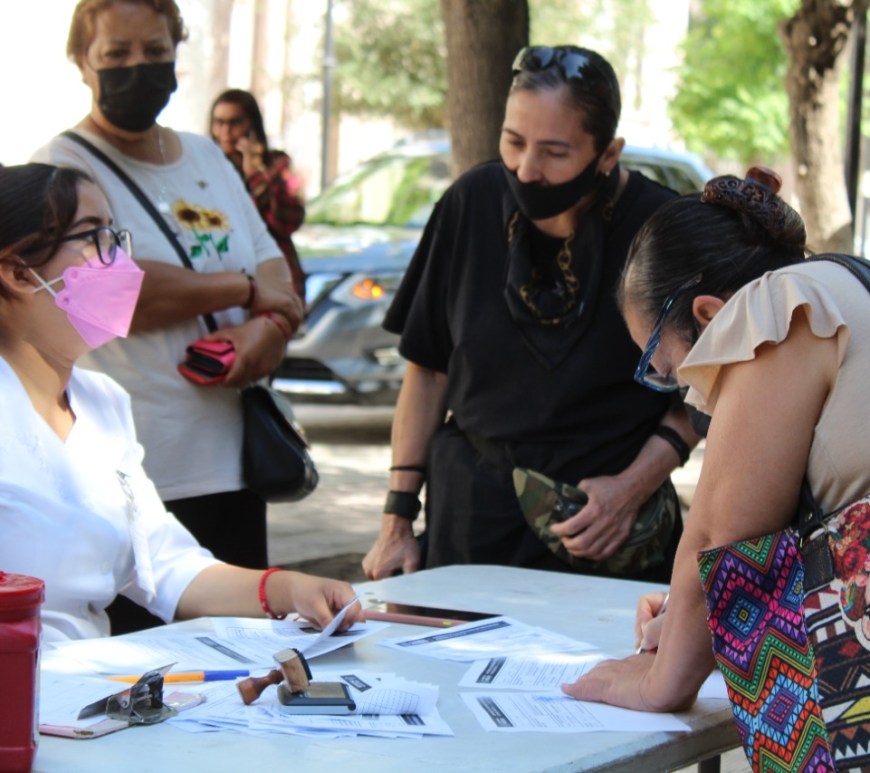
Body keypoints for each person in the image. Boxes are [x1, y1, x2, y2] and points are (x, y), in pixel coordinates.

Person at [362, 45, 697, 583]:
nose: (526, 169)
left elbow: (702, 393)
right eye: (513, 142)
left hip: (607, 532)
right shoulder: (469, 203)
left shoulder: (661, 229)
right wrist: (396, 521)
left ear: (608, 154)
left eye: (555, 152)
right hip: (470, 521)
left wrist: (632, 488)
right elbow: (426, 371)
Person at [0, 162, 362, 643]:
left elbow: (166, 564)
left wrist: (288, 589)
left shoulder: (102, 403)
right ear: (19, 273)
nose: (120, 263)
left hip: (82, 681)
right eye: (93, 237)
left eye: (116, 236)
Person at [32, 0, 304, 624]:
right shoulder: (63, 167)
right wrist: (242, 291)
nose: (139, 67)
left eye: (155, 51)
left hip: (234, 465)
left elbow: (273, 266)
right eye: (117, 54)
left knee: (241, 657)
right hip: (132, 479)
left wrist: (270, 328)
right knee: (145, 668)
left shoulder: (206, 157)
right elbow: (114, 293)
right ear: (81, 61)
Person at [561, 167, 862, 720]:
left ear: (708, 316)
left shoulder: (774, 310)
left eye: (668, 368)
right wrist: (686, 618)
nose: (685, 391)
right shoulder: (847, 284)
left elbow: (723, 539)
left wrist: (657, 683)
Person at [209, 88, 306, 300]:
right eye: (219, 123)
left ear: (252, 124)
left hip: (273, 275)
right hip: (226, 278)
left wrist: (255, 174)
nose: (225, 131)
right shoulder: (206, 169)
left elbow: (289, 220)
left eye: (235, 123)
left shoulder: (277, 165)